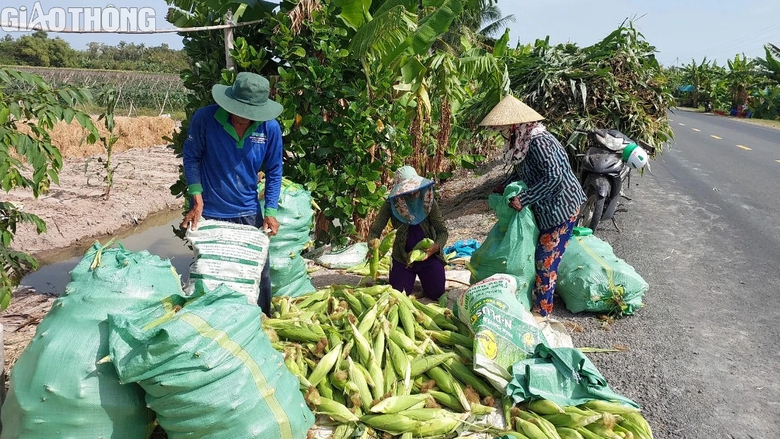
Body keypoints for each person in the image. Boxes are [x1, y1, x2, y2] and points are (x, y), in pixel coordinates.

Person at [180, 71, 284, 316]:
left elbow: (274, 170)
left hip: (248, 210)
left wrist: (270, 211)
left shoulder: (269, 128)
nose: (242, 119)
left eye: (250, 115)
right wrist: (197, 199)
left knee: (258, 272)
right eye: (238, 111)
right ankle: (205, 319)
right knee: (209, 271)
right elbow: (191, 157)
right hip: (212, 211)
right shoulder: (205, 119)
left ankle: (260, 321)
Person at [480, 95, 586, 317]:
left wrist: (525, 199)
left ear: (515, 125)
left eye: (503, 128)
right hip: (547, 206)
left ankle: (542, 312)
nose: (501, 132)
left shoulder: (539, 142)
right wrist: (503, 186)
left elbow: (555, 177)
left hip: (561, 207)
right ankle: (538, 300)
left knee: (545, 260)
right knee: (541, 255)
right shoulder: (523, 143)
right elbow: (524, 173)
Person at [367, 166, 449, 301]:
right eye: (406, 190)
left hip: (428, 257)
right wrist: (372, 246)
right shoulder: (391, 204)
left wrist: (436, 247)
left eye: (414, 188)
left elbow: (442, 232)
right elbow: (375, 230)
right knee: (399, 294)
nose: (412, 192)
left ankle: (426, 280)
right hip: (402, 258)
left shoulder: (428, 202)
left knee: (436, 293)